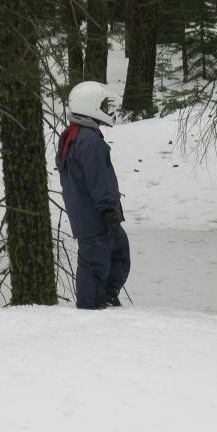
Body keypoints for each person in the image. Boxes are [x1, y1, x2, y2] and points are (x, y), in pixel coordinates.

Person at [56, 81, 130, 309]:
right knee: (94, 264)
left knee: (119, 251)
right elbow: (99, 179)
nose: (108, 110)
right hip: (94, 216)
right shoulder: (87, 140)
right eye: (104, 105)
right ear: (90, 106)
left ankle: (106, 296)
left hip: (92, 213)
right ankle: (90, 310)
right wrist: (108, 210)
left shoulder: (77, 134)